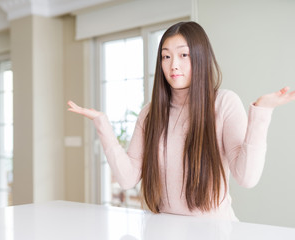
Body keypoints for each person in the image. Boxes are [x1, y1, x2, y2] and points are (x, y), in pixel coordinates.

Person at [67, 21, 295, 220]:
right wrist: (103, 124)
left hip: (216, 231)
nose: (173, 64)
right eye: (166, 56)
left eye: (183, 55)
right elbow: (127, 179)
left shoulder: (224, 103)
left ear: (200, 57)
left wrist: (262, 112)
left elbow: (247, 177)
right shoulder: (149, 114)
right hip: (164, 229)